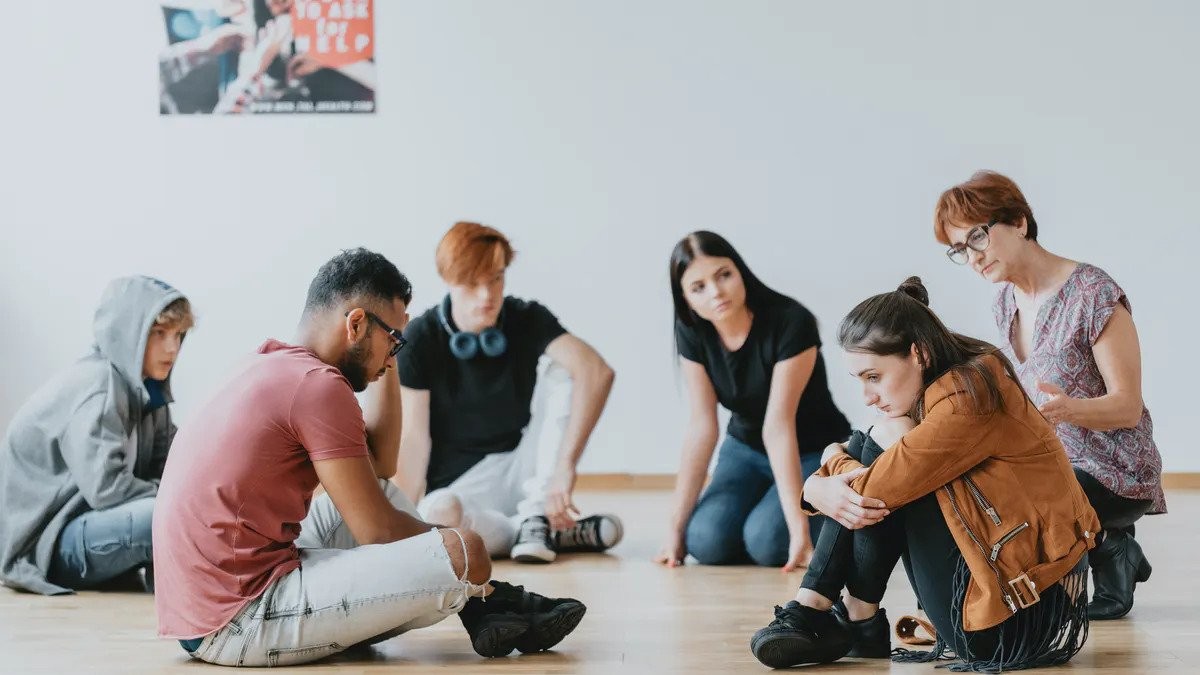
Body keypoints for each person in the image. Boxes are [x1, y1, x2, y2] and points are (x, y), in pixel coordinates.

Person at [153, 248, 585, 667]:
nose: (396, 355)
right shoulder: (318, 387)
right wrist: (463, 561)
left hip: (203, 610)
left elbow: (380, 463)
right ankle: (490, 598)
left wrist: (386, 357)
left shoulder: (272, 364)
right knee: (465, 551)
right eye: (394, 341)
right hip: (235, 622)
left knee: (381, 496)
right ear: (356, 323)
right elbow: (377, 529)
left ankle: (484, 604)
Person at [750, 277, 1098, 672]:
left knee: (885, 443)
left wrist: (821, 474)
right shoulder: (960, 379)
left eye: (874, 377)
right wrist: (831, 471)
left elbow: (867, 492)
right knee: (883, 439)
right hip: (1017, 596)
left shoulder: (969, 398)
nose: (867, 395)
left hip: (1008, 621)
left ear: (917, 354)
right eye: (860, 380)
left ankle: (829, 610)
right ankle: (849, 615)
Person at [935, 170, 1165, 619]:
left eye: (977, 238)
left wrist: (1068, 410)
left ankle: (1105, 543)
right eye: (959, 250)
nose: (973, 257)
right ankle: (1111, 548)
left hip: (1113, 466)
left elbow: (1127, 406)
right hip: (1049, 461)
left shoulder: (1094, 292)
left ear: (1019, 222)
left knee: (1014, 497)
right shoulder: (1005, 301)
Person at [396, 221, 621, 564]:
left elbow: (597, 371)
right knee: (439, 511)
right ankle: (540, 531)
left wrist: (565, 467)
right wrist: (401, 531)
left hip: (526, 470)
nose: (487, 296)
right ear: (449, 279)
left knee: (564, 368)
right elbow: (413, 442)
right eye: (473, 284)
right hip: (464, 486)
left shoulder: (525, 317)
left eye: (496, 279)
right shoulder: (419, 340)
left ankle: (535, 517)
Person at [655, 231, 851, 570]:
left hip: (810, 448)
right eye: (698, 287)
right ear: (686, 299)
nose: (715, 292)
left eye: (723, 275)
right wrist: (674, 528)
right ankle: (762, 512)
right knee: (705, 541)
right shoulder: (693, 331)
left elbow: (778, 425)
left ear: (740, 271)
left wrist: (798, 533)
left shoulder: (791, 321)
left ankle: (813, 518)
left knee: (768, 542)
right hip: (744, 448)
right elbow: (702, 426)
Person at [1, 276, 192, 594]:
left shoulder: (151, 393)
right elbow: (107, 489)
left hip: (88, 527)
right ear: (129, 334)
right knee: (163, 515)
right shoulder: (98, 384)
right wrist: (176, 496)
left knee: (185, 508)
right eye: (159, 333)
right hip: (44, 546)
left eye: (178, 335)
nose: (172, 348)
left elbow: (174, 468)